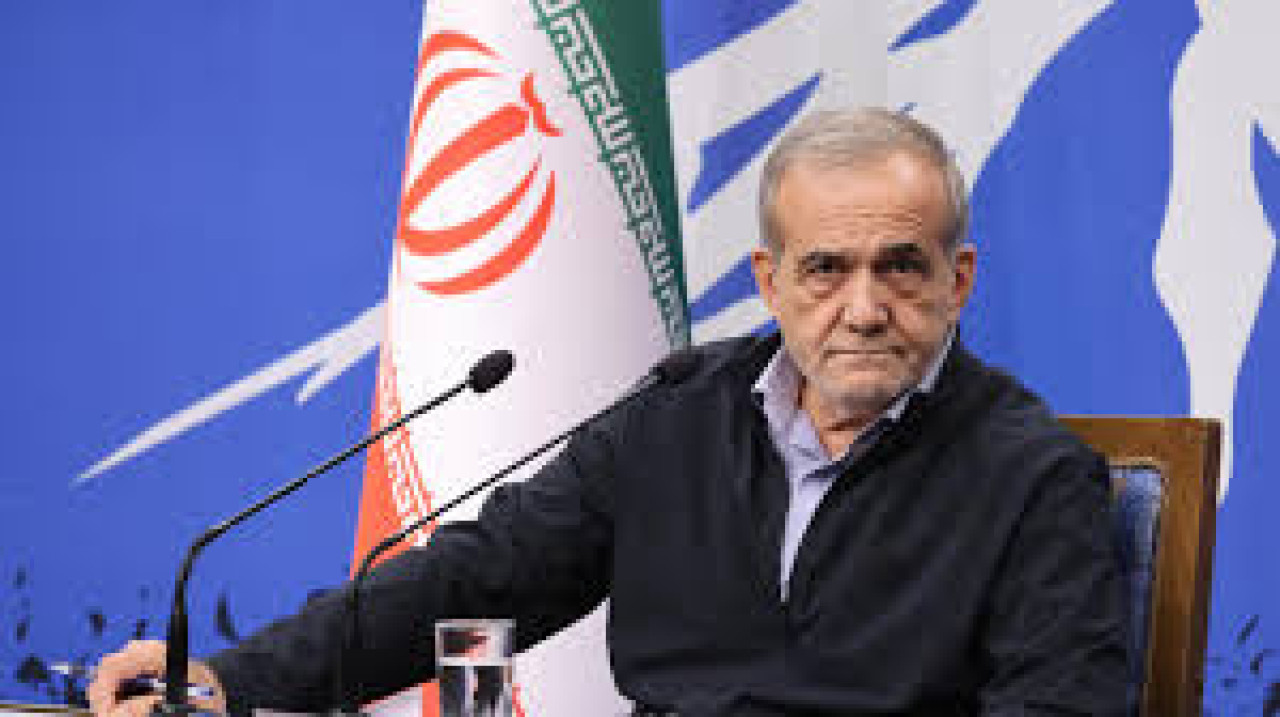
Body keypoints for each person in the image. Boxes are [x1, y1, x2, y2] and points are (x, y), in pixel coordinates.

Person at [89, 108, 1129, 716]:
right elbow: (479, 577)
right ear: (768, 282)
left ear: (958, 280)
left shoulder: (1034, 477)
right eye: (825, 268)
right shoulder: (677, 414)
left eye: (900, 266)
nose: (863, 308)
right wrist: (230, 678)